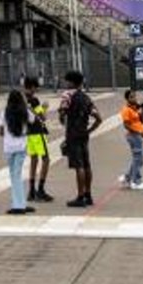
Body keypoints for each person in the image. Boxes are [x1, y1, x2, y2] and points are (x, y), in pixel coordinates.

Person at [58, 71, 102, 208]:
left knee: (79, 166)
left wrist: (62, 116)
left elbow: (62, 113)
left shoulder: (67, 95)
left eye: (67, 81)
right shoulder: (86, 98)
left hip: (73, 134)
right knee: (87, 164)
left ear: (71, 82)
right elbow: (99, 118)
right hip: (83, 134)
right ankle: (88, 195)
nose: (65, 84)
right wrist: (89, 130)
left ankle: (80, 196)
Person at [0, 89, 36, 215]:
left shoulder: (4, 113)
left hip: (9, 147)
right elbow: (33, 121)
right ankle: (20, 204)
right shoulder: (25, 112)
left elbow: (1, 132)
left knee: (14, 176)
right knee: (17, 175)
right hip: (21, 146)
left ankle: (18, 205)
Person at [22, 76, 53, 202]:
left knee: (34, 160)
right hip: (38, 132)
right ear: (32, 86)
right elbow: (42, 117)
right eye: (36, 87)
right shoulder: (34, 100)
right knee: (46, 160)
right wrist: (45, 107)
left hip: (28, 133)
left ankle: (31, 191)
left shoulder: (21, 98)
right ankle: (40, 189)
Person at [118, 89, 143, 190]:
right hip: (133, 135)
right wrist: (138, 131)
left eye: (135, 96)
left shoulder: (134, 108)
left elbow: (142, 118)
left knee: (136, 159)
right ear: (127, 98)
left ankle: (127, 177)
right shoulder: (126, 109)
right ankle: (136, 181)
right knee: (138, 160)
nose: (134, 98)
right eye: (131, 97)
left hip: (138, 135)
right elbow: (126, 125)